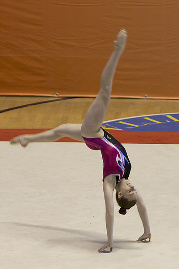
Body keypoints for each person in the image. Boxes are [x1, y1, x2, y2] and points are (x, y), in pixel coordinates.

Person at [10, 29, 151, 253]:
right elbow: (141, 206)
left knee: (105, 93)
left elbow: (109, 212)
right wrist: (146, 231)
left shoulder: (109, 181)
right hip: (94, 138)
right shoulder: (126, 176)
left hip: (93, 132)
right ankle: (28, 139)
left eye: (130, 191)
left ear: (120, 194)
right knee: (59, 131)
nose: (134, 187)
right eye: (135, 189)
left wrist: (110, 242)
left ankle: (118, 51)